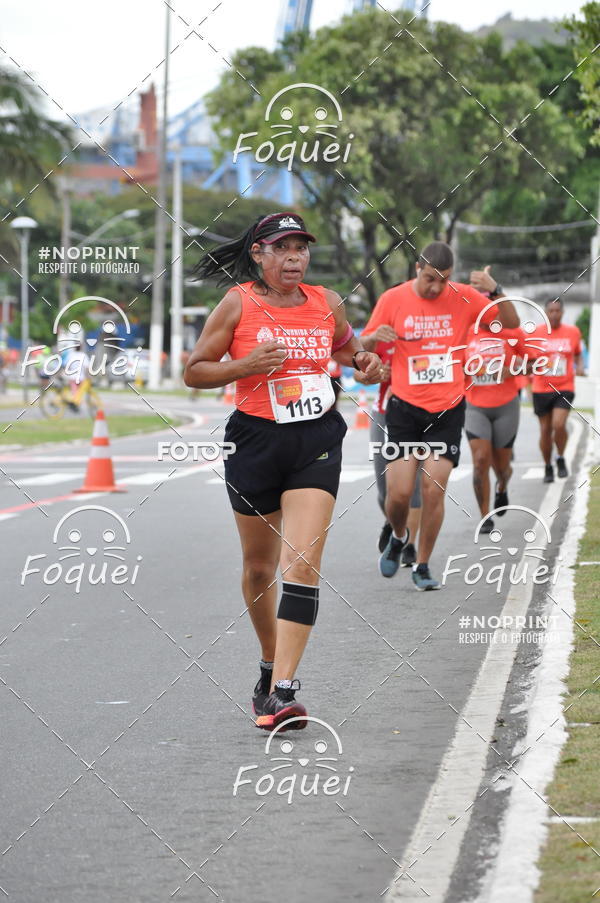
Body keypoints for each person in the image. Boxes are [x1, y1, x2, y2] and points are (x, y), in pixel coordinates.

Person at [183, 212, 380, 730]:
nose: (295, 257)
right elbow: (195, 370)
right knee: (258, 569)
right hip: (254, 442)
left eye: (302, 248)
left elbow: (345, 344)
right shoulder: (238, 304)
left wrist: (363, 359)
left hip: (315, 439)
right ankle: (269, 666)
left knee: (303, 563)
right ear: (258, 253)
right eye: (282, 247)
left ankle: (285, 690)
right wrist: (244, 366)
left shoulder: (326, 301)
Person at [360, 242, 519, 590]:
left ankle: (423, 564)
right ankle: (398, 535)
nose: (436, 288)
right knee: (399, 495)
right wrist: (373, 337)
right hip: (404, 409)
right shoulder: (392, 299)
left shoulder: (464, 297)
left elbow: (511, 322)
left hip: (447, 409)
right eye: (430, 278)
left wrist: (495, 291)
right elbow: (361, 350)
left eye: (443, 281)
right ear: (417, 269)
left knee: (433, 489)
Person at [357, 333, 421, 564]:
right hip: (384, 414)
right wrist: (376, 374)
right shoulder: (382, 338)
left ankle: (409, 546)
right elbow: (355, 363)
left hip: (417, 415)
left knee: (413, 488)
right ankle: (393, 521)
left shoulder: (425, 338)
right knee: (385, 492)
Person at [463, 319, 527, 533]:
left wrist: (514, 368)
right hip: (474, 406)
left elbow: (534, 362)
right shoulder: (463, 331)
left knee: (502, 466)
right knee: (481, 460)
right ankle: (485, 516)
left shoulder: (511, 332)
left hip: (506, 406)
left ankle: (502, 486)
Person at [530, 299, 584, 482]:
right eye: (550, 311)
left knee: (558, 425)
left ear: (562, 312)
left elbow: (577, 354)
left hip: (564, 387)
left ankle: (560, 457)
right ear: (545, 313)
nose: (554, 314)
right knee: (545, 430)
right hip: (541, 388)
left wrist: (580, 367)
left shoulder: (573, 332)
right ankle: (547, 466)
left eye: (557, 311)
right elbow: (527, 359)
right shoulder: (535, 333)